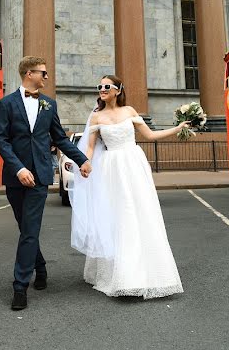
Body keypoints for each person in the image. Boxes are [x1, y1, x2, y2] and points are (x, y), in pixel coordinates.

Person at [71, 75, 188, 299]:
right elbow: (89, 149)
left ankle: (148, 272)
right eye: (100, 87)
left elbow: (151, 135)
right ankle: (120, 275)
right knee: (117, 216)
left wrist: (177, 129)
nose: (102, 89)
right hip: (111, 168)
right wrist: (83, 165)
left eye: (107, 86)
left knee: (142, 212)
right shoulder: (96, 117)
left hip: (133, 165)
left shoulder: (130, 112)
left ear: (117, 90)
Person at [0, 56, 92, 311]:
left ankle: (19, 287)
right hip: (16, 177)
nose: (47, 77)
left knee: (30, 229)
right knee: (24, 227)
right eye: (43, 73)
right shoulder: (6, 104)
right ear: (29, 73)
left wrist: (82, 160)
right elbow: (2, 141)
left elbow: (60, 138)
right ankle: (40, 267)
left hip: (39, 176)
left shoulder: (49, 105)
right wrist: (18, 169)